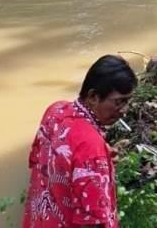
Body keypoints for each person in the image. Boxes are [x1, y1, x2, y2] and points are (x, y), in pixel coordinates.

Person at [22, 55, 137, 228]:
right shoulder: (91, 147)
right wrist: (95, 158)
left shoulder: (56, 111)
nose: (124, 110)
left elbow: (43, 160)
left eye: (127, 101)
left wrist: (100, 156)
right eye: (119, 102)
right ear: (93, 97)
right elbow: (94, 221)